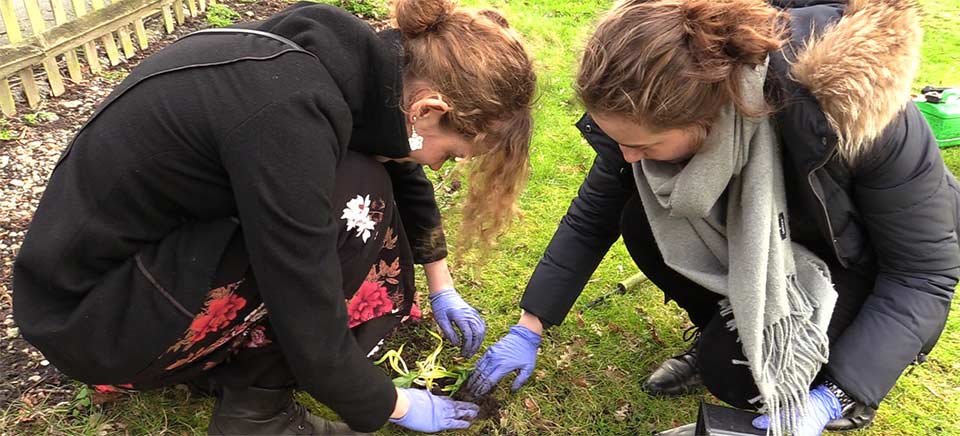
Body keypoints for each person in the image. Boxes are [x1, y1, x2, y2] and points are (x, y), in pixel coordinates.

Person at [12, 0, 535, 434]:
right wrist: (389, 406)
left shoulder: (337, 57)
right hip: (96, 323)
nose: (439, 164)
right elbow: (303, 294)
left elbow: (394, 157)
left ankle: (222, 362)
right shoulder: (287, 118)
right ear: (425, 111)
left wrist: (440, 278)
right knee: (359, 203)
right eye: (450, 154)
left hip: (122, 273)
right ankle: (259, 412)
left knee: (366, 180)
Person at [467, 0, 957, 434]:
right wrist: (529, 325)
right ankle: (720, 328)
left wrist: (840, 391)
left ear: (707, 120)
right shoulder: (644, 109)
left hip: (853, 262)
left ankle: (834, 386)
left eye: (643, 145)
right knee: (641, 217)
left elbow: (922, 273)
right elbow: (595, 213)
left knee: (733, 372)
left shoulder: (848, 112)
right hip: (761, 246)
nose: (628, 157)